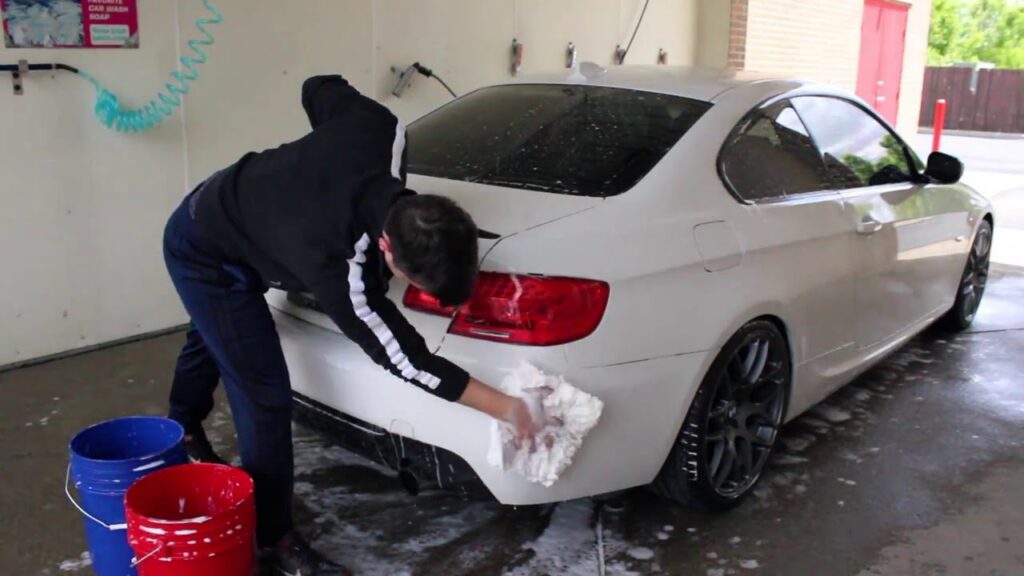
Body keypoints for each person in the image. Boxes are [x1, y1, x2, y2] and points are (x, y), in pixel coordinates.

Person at [162, 75, 540, 576]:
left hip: (239, 209)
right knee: (263, 390)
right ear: (386, 250)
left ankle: (182, 424)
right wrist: (509, 408)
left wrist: (317, 158)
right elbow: (408, 360)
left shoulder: (381, 130)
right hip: (202, 246)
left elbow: (318, 85)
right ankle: (275, 536)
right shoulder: (338, 268)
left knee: (216, 335)